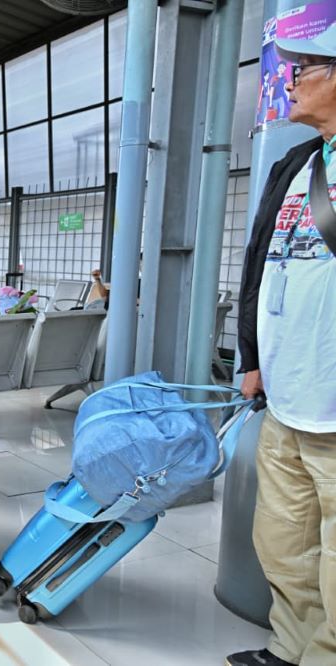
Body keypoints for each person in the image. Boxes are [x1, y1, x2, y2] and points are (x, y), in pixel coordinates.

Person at [226, 26, 336, 666]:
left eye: (305, 68)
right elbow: (258, 269)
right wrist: (253, 360)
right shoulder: (296, 163)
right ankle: (292, 648)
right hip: (285, 392)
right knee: (283, 539)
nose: (289, 81)